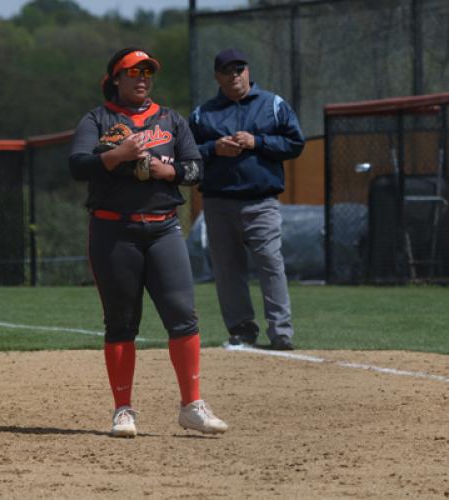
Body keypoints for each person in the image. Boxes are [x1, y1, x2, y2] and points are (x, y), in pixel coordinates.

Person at [69, 47, 228, 438]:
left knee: (182, 314)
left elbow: (195, 168)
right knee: (121, 322)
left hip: (163, 229)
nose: (142, 77)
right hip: (113, 231)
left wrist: (165, 169)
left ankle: (192, 405)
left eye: (148, 72)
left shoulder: (170, 120)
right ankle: (123, 410)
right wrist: (118, 155)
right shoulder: (98, 119)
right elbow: (77, 165)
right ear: (115, 79)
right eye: (133, 71)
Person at [189, 48, 305, 351]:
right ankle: (241, 330)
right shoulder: (204, 113)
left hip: (260, 201)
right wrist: (214, 148)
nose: (235, 75)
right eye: (228, 71)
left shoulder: (273, 105)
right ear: (217, 77)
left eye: (239, 69)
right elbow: (186, 153)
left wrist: (258, 141)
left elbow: (295, 143)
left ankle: (281, 332)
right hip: (218, 202)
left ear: (248, 71)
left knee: (270, 264)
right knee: (227, 269)